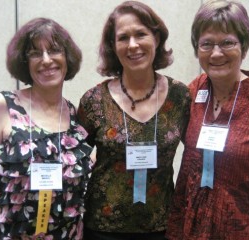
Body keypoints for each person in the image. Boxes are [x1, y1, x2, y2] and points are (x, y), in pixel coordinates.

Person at [166, 0, 249, 239]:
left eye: (227, 43)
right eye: (207, 44)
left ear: (244, 46)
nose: (216, 53)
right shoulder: (192, 93)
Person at [77, 1, 190, 239]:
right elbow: (74, 164)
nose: (133, 45)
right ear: (112, 46)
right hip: (102, 229)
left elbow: (195, 159)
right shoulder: (93, 100)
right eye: (123, 38)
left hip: (161, 227)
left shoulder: (181, 96)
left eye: (141, 34)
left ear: (156, 39)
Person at [0, 18, 93, 239]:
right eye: (35, 53)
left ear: (67, 57)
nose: (46, 60)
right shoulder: (2, 106)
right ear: (24, 62)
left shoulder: (74, 114)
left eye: (54, 50)